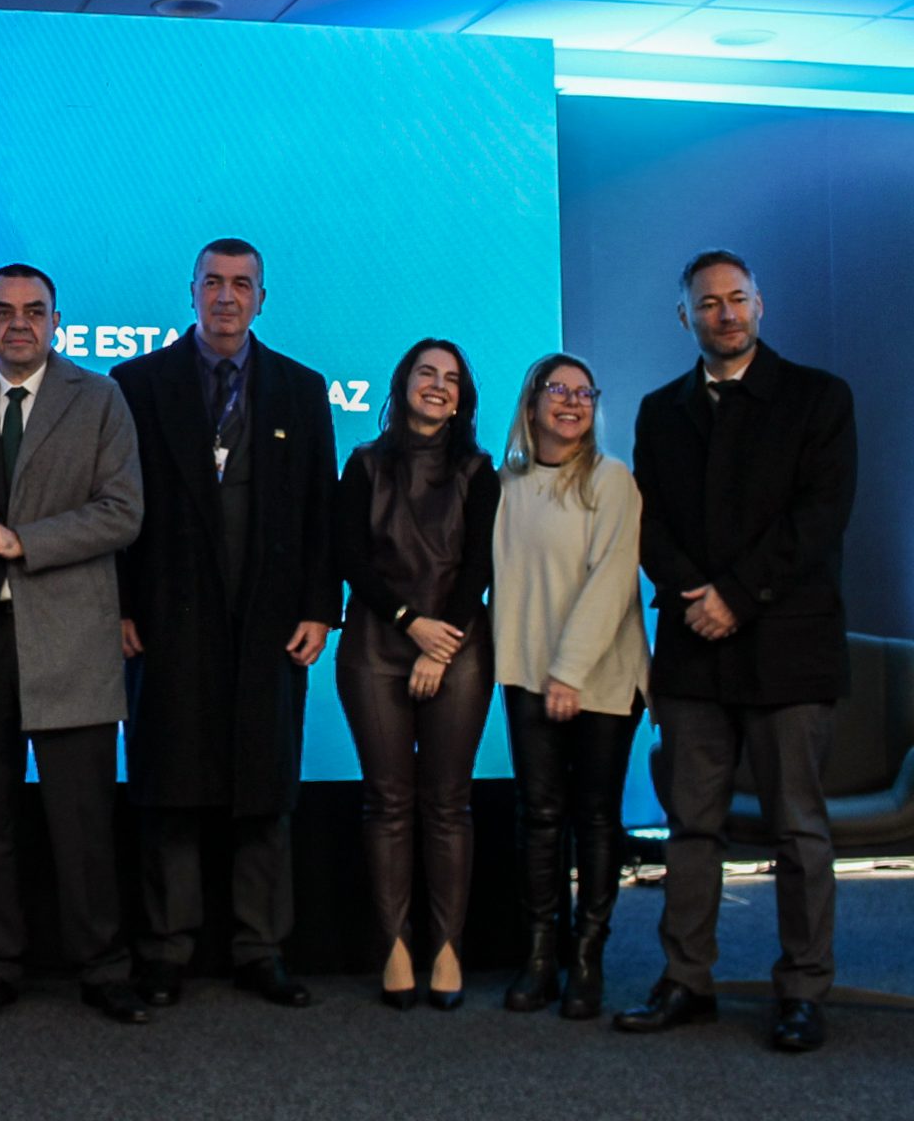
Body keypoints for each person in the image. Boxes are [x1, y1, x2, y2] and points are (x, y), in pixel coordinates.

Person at [616, 250, 855, 1053]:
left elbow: (819, 518)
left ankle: (803, 991)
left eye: (738, 298)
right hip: (694, 650)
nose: (726, 313)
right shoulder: (660, 410)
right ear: (685, 317)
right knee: (691, 828)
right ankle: (687, 981)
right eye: (709, 303)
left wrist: (736, 597)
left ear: (760, 304)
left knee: (799, 830)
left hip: (789, 645)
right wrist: (698, 595)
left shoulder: (820, 397)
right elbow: (648, 523)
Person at [111, 237, 338, 1010]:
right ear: (193, 291)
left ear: (262, 299)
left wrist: (320, 607)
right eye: (214, 282)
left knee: (263, 791)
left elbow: (321, 509)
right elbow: (116, 506)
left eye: (242, 284)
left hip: (268, 626)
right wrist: (120, 604)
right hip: (164, 623)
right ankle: (166, 951)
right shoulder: (137, 384)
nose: (227, 297)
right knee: (168, 792)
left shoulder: (301, 389)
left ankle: (259, 949)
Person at [0, 263, 148, 1025]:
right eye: (3, 311)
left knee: (82, 824)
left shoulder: (100, 398)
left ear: (57, 321)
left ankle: (104, 968)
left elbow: (122, 512)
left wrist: (24, 540)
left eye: (34, 310)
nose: (19, 323)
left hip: (72, 642)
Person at [333, 338, 497, 1010]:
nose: (438, 385)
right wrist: (410, 624)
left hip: (457, 645)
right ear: (403, 384)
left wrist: (439, 644)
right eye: (426, 373)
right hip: (377, 643)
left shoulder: (480, 470)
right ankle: (395, 947)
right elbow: (349, 556)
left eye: (451, 379)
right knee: (388, 801)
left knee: (449, 802)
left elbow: (479, 565)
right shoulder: (364, 464)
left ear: (462, 398)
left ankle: (448, 948)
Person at [492, 354, 650, 1020]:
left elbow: (612, 582)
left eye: (585, 393)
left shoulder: (612, 481)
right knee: (539, 816)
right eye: (557, 390)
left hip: (602, 680)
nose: (572, 402)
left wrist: (569, 672)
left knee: (595, 817)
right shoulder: (504, 483)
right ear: (531, 404)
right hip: (527, 676)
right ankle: (540, 956)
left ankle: (588, 959)